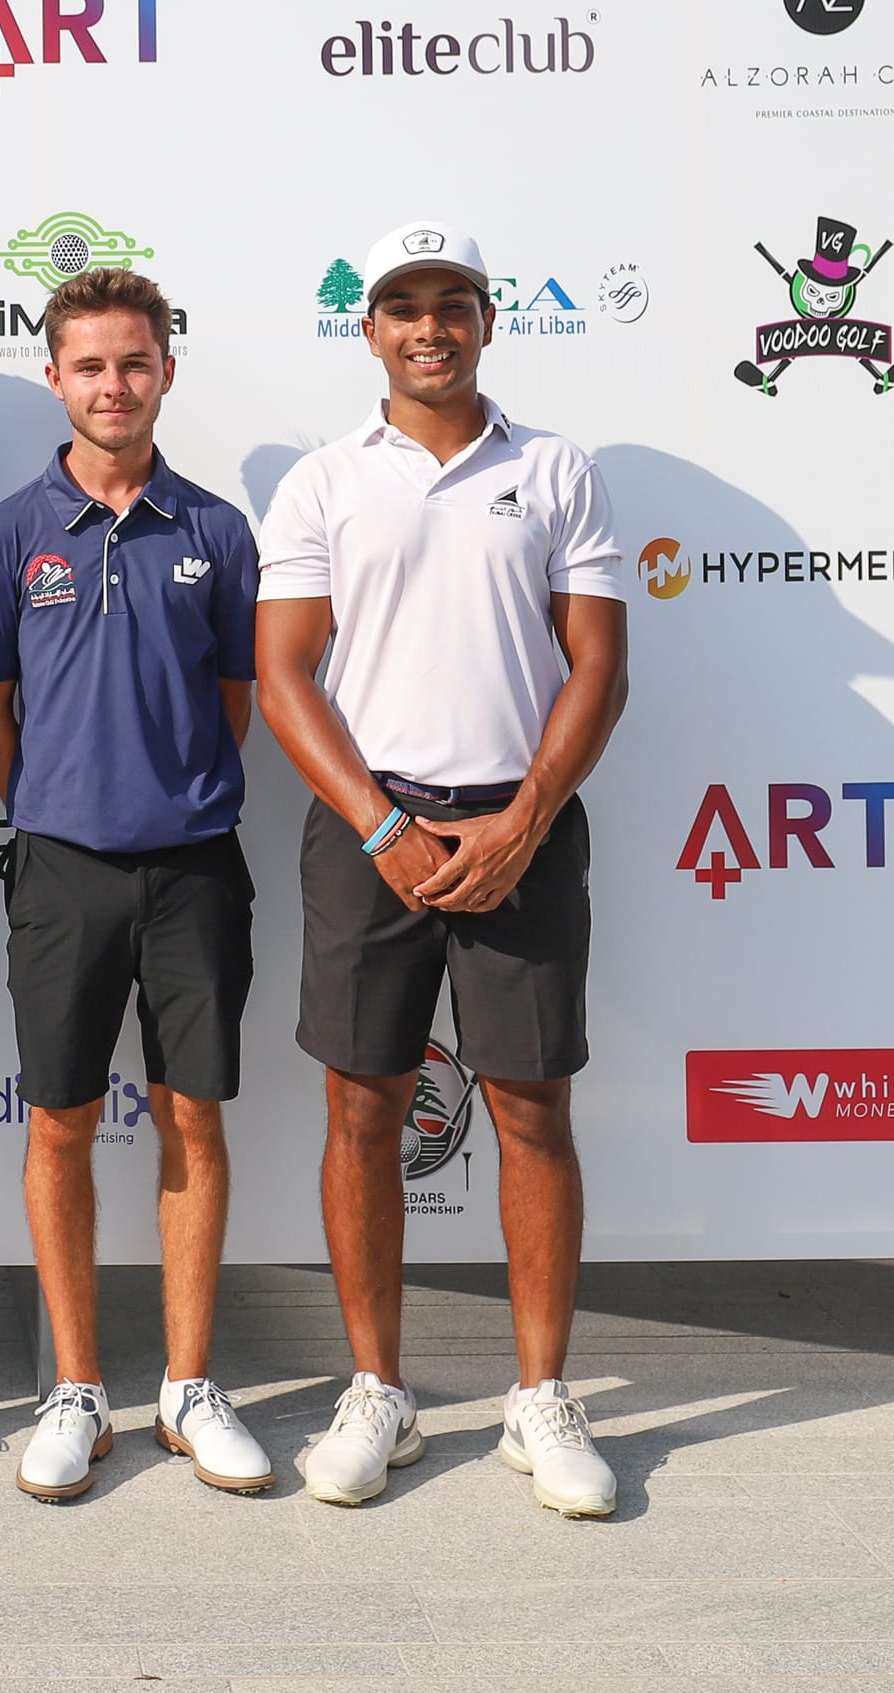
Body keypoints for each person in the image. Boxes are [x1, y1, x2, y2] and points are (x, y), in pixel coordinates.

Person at [256, 220, 629, 1516]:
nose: (429, 326)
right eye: (403, 306)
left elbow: (597, 664)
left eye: (451, 303)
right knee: (362, 1108)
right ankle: (378, 1390)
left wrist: (525, 817)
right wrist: (382, 827)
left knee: (530, 1109)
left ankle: (541, 1396)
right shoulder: (322, 482)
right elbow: (283, 675)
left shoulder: (556, 468)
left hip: (520, 825)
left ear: (485, 318)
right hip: (369, 831)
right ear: (369, 329)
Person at [0, 268, 269, 1502]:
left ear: (165, 373)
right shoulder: (5, 533)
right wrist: (59, 807)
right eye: (88, 365)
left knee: (192, 1117)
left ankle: (187, 1384)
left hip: (193, 866)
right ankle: (76, 1389)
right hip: (58, 868)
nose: (112, 385)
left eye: (133, 362)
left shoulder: (216, 531)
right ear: (54, 378)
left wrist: (165, 795)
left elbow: (235, 700)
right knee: (58, 1122)